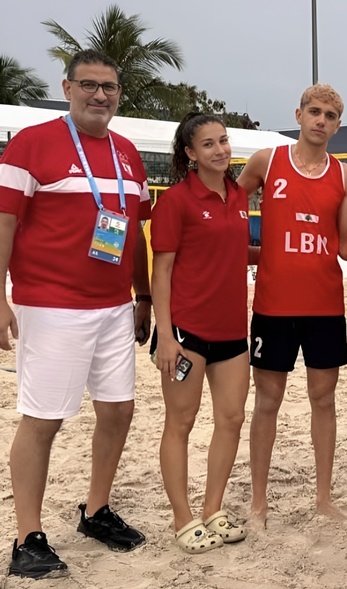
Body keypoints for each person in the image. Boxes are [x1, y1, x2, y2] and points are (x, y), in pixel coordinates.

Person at [0, 49, 150, 579]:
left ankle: (95, 509)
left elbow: (131, 233)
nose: (99, 95)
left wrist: (144, 296)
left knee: (118, 411)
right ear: (66, 88)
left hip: (113, 306)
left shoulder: (128, 153)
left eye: (108, 86)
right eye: (88, 84)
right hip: (51, 304)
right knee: (44, 418)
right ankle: (27, 537)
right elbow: (5, 224)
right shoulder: (31, 144)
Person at [237, 83, 347, 523]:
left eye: (329, 115)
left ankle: (324, 501)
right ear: (299, 114)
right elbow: (230, 205)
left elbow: (344, 245)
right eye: (314, 111)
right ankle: (258, 503)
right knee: (267, 402)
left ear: (337, 125)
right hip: (273, 304)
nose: (321, 120)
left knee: (323, 401)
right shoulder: (268, 161)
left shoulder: (344, 176)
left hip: (325, 304)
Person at [151, 113, 251, 553]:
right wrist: (166, 335)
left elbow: (233, 251)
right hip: (187, 333)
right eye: (208, 144)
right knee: (182, 422)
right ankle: (182, 518)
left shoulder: (239, 193)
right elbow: (163, 271)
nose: (219, 150)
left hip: (232, 330)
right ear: (190, 153)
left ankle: (213, 509)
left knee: (231, 420)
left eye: (224, 141)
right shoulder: (175, 201)